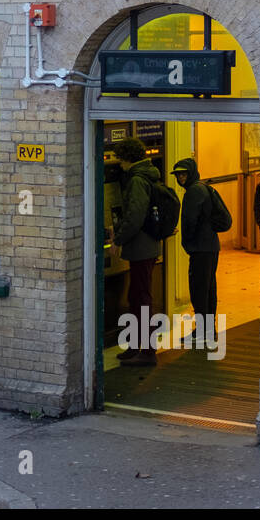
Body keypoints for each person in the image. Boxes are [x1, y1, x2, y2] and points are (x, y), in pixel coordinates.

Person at [110, 138, 163, 367]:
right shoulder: (148, 175)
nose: (119, 165)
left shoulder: (137, 180)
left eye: (120, 160)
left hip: (141, 247)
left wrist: (118, 239)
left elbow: (134, 216)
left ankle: (148, 351)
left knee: (141, 298)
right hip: (145, 246)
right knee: (136, 297)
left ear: (128, 158)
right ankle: (135, 346)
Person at [171, 158, 219, 346]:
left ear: (191, 173)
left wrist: (188, 243)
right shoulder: (203, 187)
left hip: (201, 248)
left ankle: (202, 331)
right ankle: (208, 330)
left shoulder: (193, 192)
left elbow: (190, 221)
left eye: (184, 173)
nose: (181, 177)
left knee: (199, 290)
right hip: (210, 246)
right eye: (178, 174)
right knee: (208, 288)